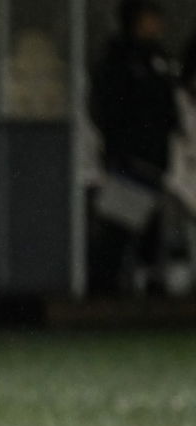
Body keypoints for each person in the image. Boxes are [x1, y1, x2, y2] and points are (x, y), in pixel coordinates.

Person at [89, 0, 179, 296]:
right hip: (129, 159)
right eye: (149, 18)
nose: (156, 25)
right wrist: (119, 148)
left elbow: (168, 108)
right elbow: (105, 107)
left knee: (152, 230)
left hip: (157, 159)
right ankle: (104, 292)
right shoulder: (118, 57)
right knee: (119, 225)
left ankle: (151, 292)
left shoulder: (159, 57)